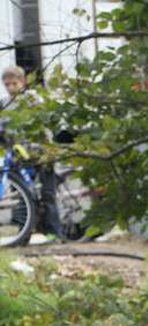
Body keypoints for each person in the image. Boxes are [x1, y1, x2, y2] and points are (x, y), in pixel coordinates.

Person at [1, 66, 63, 241]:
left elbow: (43, 122)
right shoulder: (4, 103)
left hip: (42, 152)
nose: (11, 88)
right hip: (19, 155)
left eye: (14, 83)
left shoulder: (33, 99)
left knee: (48, 195)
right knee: (22, 196)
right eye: (7, 84)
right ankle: (24, 233)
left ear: (23, 82)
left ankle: (55, 234)